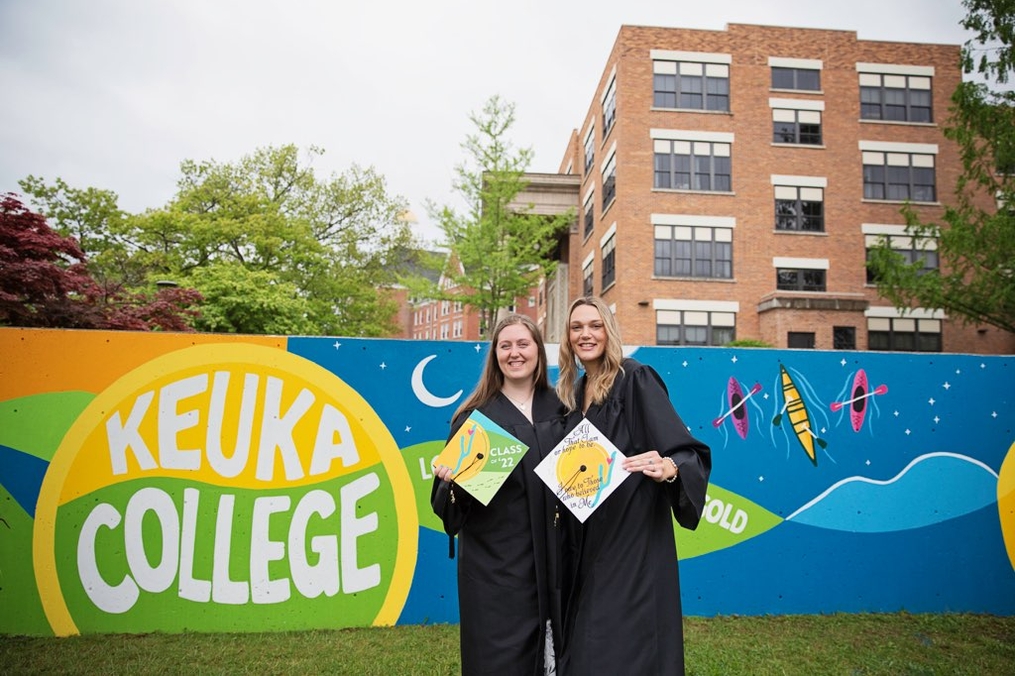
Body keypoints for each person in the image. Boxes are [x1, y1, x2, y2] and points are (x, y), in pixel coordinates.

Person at [555, 296, 711, 676]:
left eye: (595, 325)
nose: (586, 334)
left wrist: (669, 467)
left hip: (632, 536)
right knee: (585, 642)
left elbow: (686, 451)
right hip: (587, 539)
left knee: (622, 644)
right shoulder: (574, 394)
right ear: (567, 337)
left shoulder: (635, 378)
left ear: (609, 330)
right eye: (577, 327)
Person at [431, 313, 568, 676]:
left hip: (558, 564)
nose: (514, 353)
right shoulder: (477, 419)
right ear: (495, 355)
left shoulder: (564, 411)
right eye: (505, 346)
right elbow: (449, 512)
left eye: (523, 344)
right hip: (498, 570)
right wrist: (450, 482)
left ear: (539, 351)